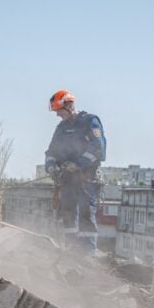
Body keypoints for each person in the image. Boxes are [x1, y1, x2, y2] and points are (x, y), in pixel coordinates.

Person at [44, 89, 107, 254]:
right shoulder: (61, 128)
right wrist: (50, 166)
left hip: (86, 178)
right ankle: (71, 251)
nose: (57, 115)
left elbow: (98, 148)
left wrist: (78, 164)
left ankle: (87, 254)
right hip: (67, 180)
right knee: (68, 214)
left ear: (69, 105)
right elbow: (51, 151)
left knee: (86, 214)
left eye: (59, 111)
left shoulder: (89, 121)